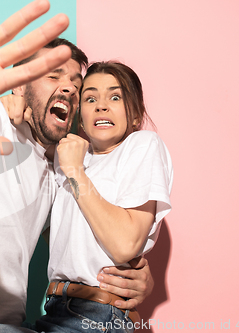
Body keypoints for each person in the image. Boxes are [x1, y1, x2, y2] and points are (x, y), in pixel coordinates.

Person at [0, 1, 154, 332]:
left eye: (78, 87)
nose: (69, 89)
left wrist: (135, 275)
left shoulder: (56, 171)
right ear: (18, 84)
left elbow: (80, 243)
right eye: (52, 75)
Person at [32, 61, 174, 332]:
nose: (101, 105)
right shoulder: (67, 158)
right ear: (81, 116)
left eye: (115, 96)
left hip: (98, 316)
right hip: (54, 309)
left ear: (135, 115)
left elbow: (123, 245)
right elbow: (59, 236)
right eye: (90, 98)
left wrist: (76, 172)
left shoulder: (142, 145)